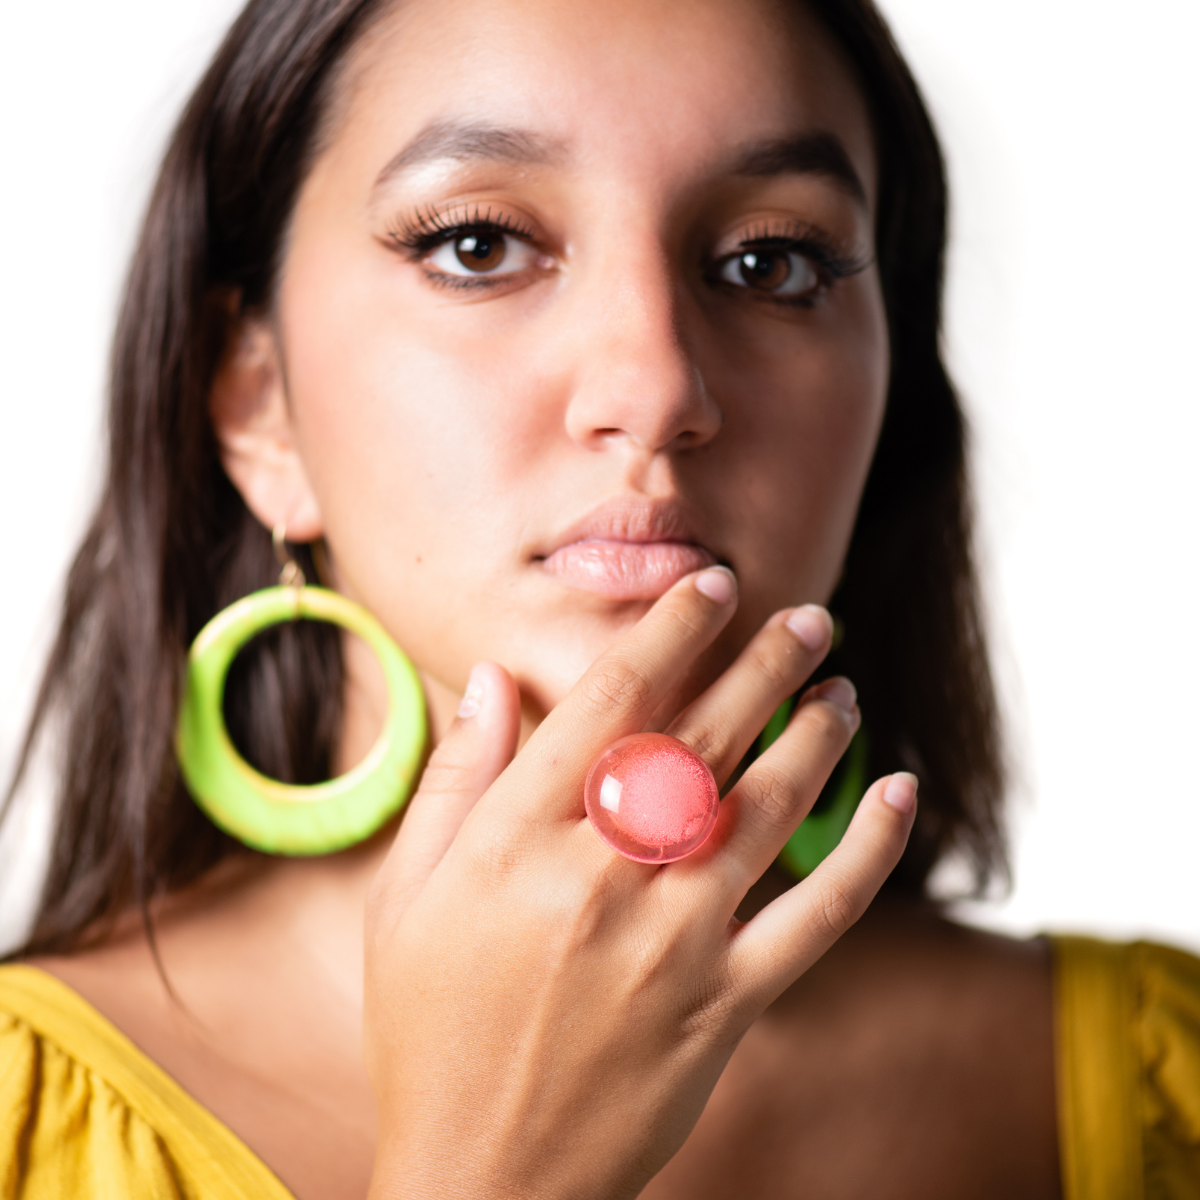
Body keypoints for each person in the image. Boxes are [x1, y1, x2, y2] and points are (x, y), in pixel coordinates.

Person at [1, 0, 1197, 1196]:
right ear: (257, 401)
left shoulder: (1162, 1093)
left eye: (771, 262)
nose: (658, 383)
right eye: (478, 245)